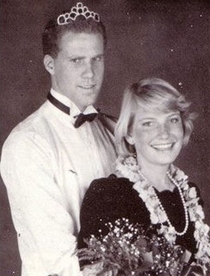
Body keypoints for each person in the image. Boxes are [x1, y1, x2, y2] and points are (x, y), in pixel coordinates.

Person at [0, 3, 117, 276]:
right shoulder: (27, 143)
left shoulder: (114, 129)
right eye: (77, 60)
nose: (90, 73)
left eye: (96, 59)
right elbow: (60, 261)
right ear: (50, 64)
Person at [78, 78, 210, 275]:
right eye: (148, 123)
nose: (164, 134)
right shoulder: (109, 195)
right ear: (129, 134)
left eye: (172, 119)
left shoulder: (189, 195)